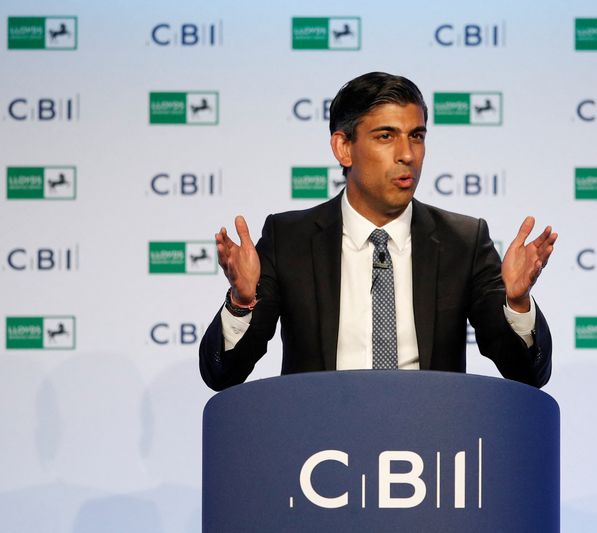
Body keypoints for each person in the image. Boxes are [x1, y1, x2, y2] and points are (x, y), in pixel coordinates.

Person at [199, 72, 557, 391]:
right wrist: (242, 303)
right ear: (344, 148)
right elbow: (223, 375)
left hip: (430, 448)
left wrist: (516, 304)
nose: (407, 154)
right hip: (319, 447)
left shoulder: (462, 241)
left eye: (416, 136)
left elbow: (527, 375)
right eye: (386, 136)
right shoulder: (289, 238)